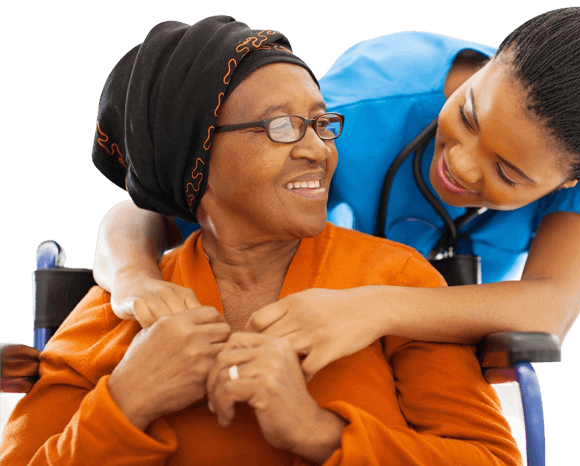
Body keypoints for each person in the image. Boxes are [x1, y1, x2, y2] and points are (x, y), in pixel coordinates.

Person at [0, 16, 522, 465]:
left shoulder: (394, 280)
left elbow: (489, 459)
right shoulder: (126, 303)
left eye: (321, 123)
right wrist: (127, 401)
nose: (318, 150)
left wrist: (317, 432)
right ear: (195, 156)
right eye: (281, 127)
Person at [93, 3, 580, 379]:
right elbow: (142, 214)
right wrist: (135, 281)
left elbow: (550, 309)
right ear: (492, 60)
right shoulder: (361, 107)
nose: (463, 167)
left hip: (402, 373)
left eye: (509, 174)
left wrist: (372, 307)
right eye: (468, 116)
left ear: (570, 181)